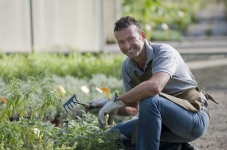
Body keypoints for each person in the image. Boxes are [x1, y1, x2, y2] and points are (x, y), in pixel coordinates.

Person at [87, 16, 218, 150]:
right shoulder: (128, 66)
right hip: (164, 126)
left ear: (142, 36)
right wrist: (108, 106)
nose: (127, 46)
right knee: (113, 137)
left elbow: (155, 87)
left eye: (131, 39)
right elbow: (133, 109)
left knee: (150, 98)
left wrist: (117, 100)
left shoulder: (164, 52)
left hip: (193, 119)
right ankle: (177, 147)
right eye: (121, 42)